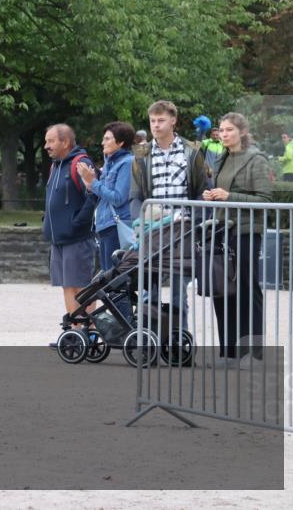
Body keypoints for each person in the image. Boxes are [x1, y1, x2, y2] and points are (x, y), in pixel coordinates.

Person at [129, 100, 209, 329]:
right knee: (148, 289)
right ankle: (146, 339)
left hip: (182, 229)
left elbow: (202, 190)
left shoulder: (192, 152)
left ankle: (178, 340)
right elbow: (134, 195)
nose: (156, 125)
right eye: (152, 121)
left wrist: (195, 221)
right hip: (151, 229)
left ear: (173, 120)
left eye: (161, 120)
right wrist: (139, 220)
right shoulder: (141, 154)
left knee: (178, 292)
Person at [204, 113, 273, 366]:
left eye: (229, 130)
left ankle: (253, 354)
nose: (223, 134)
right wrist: (213, 195)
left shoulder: (256, 159)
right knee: (222, 292)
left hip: (245, 233)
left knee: (247, 289)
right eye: (221, 130)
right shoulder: (222, 158)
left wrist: (229, 196)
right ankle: (229, 353)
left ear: (242, 132)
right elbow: (224, 193)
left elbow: (266, 200)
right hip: (222, 232)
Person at [42, 124, 97, 331]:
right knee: (67, 285)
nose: (46, 146)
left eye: (51, 141)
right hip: (59, 239)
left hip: (76, 237)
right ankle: (75, 330)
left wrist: (77, 223)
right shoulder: (55, 165)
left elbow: (94, 195)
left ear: (65, 142)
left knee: (81, 285)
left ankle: (88, 330)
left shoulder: (80, 163)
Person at [77, 122, 135, 272]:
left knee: (114, 279)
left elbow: (118, 198)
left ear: (121, 142)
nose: (103, 143)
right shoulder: (109, 163)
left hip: (115, 226)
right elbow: (101, 195)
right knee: (108, 278)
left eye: (108, 139)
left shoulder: (127, 163)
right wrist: (89, 185)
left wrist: (93, 182)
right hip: (104, 225)